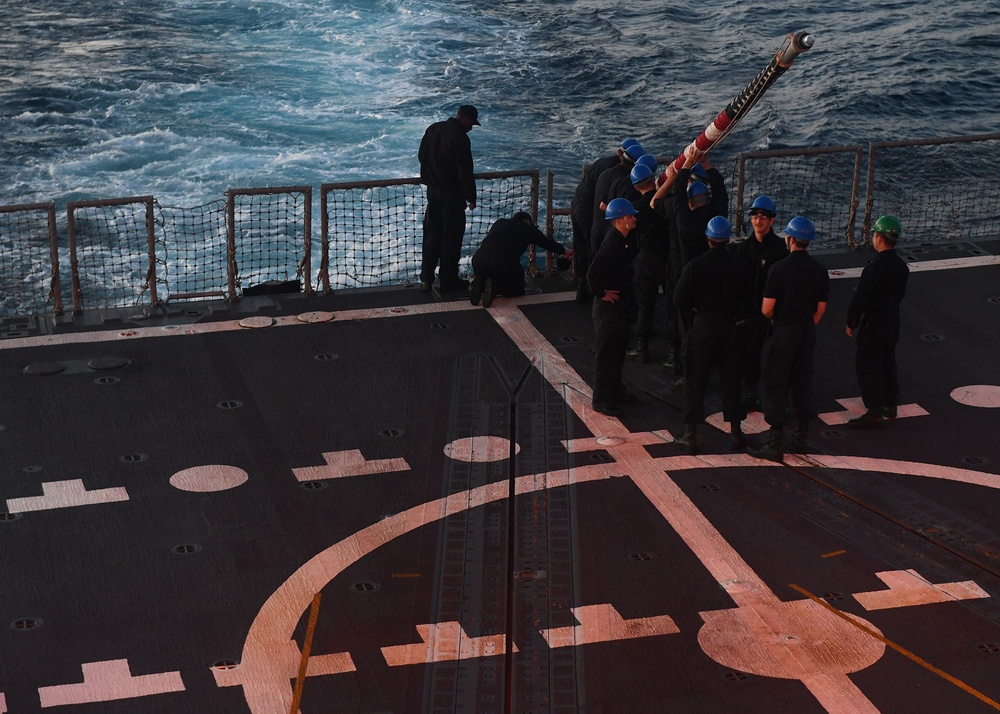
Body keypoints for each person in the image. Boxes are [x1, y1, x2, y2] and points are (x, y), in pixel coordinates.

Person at [750, 216, 830, 462]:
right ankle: (801, 437)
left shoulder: (779, 269)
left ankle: (775, 442)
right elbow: (820, 309)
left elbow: (766, 309)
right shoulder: (819, 270)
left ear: (791, 239)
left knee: (774, 381)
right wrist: (805, 325)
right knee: (802, 380)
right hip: (807, 331)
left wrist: (779, 322)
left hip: (784, 330)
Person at [672, 216, 752, 454]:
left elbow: (678, 299)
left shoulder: (695, 266)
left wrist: (696, 306)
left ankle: (690, 435)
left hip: (704, 327)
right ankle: (736, 433)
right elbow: (750, 299)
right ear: (727, 239)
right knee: (732, 381)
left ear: (708, 238)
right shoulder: (740, 266)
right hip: (730, 329)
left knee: (695, 381)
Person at [845, 214, 909, 428]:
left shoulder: (873, 268)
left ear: (880, 237)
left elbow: (861, 298)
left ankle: (873, 410)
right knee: (888, 362)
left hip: (874, 325)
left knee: (866, 365)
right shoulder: (902, 267)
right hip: (892, 322)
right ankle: (891, 405)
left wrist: (851, 321)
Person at [728, 195, 789, 411]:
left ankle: (780, 396)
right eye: (754, 216)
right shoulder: (744, 249)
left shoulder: (781, 250)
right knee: (750, 354)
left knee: (777, 357)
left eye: (763, 216)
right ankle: (753, 393)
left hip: (773, 314)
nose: (758, 221)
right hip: (752, 313)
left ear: (772, 220)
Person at [417, 104, 480, 293]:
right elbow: (464, 172)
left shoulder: (433, 128)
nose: (471, 128)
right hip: (452, 196)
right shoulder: (461, 138)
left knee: (431, 236)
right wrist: (471, 197)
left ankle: (426, 280)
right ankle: (447, 281)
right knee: (451, 239)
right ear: (466, 119)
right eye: (472, 124)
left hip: (433, 192)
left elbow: (422, 156)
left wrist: (430, 177)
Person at [569, 139, 640, 303]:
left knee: (581, 249)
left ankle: (582, 290)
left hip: (577, 206)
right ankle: (595, 293)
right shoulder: (616, 172)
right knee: (593, 251)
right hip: (589, 212)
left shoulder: (604, 163)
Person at [587, 198, 638, 417]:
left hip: (620, 306)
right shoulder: (611, 246)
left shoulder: (624, 240)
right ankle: (601, 398)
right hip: (608, 310)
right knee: (606, 353)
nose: (634, 218)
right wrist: (602, 293)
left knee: (617, 351)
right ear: (619, 220)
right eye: (630, 216)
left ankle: (616, 390)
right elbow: (592, 274)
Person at [469, 212, 573, 308]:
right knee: (517, 289)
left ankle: (481, 282)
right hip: (501, 263)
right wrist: (564, 251)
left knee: (490, 270)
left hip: (478, 260)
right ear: (527, 221)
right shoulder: (527, 229)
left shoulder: (499, 222)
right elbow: (547, 243)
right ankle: (495, 287)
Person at [625, 161, 670, 364]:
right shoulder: (666, 203)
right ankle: (673, 354)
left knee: (645, 304)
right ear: (653, 179)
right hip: (669, 259)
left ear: (635, 187)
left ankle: (642, 348)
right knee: (672, 305)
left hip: (646, 259)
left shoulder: (635, 209)